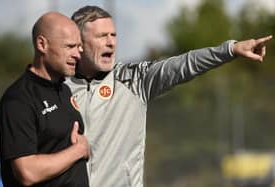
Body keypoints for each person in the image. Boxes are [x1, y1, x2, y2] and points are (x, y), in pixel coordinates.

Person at [65, 5, 273, 187]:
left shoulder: (133, 80)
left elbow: (183, 64)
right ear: (79, 43)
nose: (111, 42)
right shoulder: (57, 88)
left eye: (114, 35)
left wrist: (229, 50)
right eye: (102, 36)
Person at [0, 12, 90, 187]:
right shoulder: (18, 100)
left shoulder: (64, 89)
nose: (78, 54)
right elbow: (27, 172)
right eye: (70, 46)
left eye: (79, 47)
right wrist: (77, 151)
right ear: (42, 44)